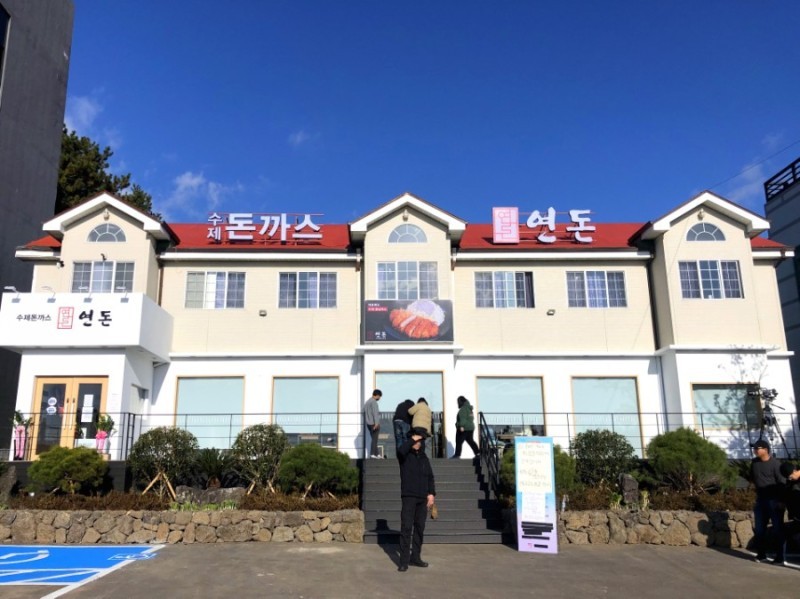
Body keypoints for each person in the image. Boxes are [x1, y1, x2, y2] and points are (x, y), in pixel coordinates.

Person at [397, 433, 436, 572]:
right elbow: (400, 451)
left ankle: (415, 557)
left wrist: (431, 494)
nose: (418, 443)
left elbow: (430, 477)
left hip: (422, 498)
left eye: (420, 441)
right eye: (416, 440)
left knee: (419, 528)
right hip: (409, 496)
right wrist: (411, 439)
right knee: (406, 527)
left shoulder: (424, 458)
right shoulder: (404, 456)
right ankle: (403, 561)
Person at [750, 439, 786, 563]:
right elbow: (752, 478)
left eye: (757, 448)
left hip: (774, 501)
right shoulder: (754, 463)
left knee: (777, 529)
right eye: (754, 448)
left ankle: (779, 557)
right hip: (760, 501)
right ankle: (761, 554)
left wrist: (781, 500)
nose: (755, 450)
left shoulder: (776, 464)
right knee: (759, 529)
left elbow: (782, 483)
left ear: (765, 450)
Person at [364, 389, 382, 459]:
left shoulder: (367, 402)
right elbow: (375, 413)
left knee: (374, 439)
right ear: (377, 395)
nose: (379, 398)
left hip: (368, 423)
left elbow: (363, 411)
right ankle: (372, 454)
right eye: (379, 396)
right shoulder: (374, 402)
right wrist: (376, 423)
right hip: (374, 423)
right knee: (375, 439)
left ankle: (377, 454)